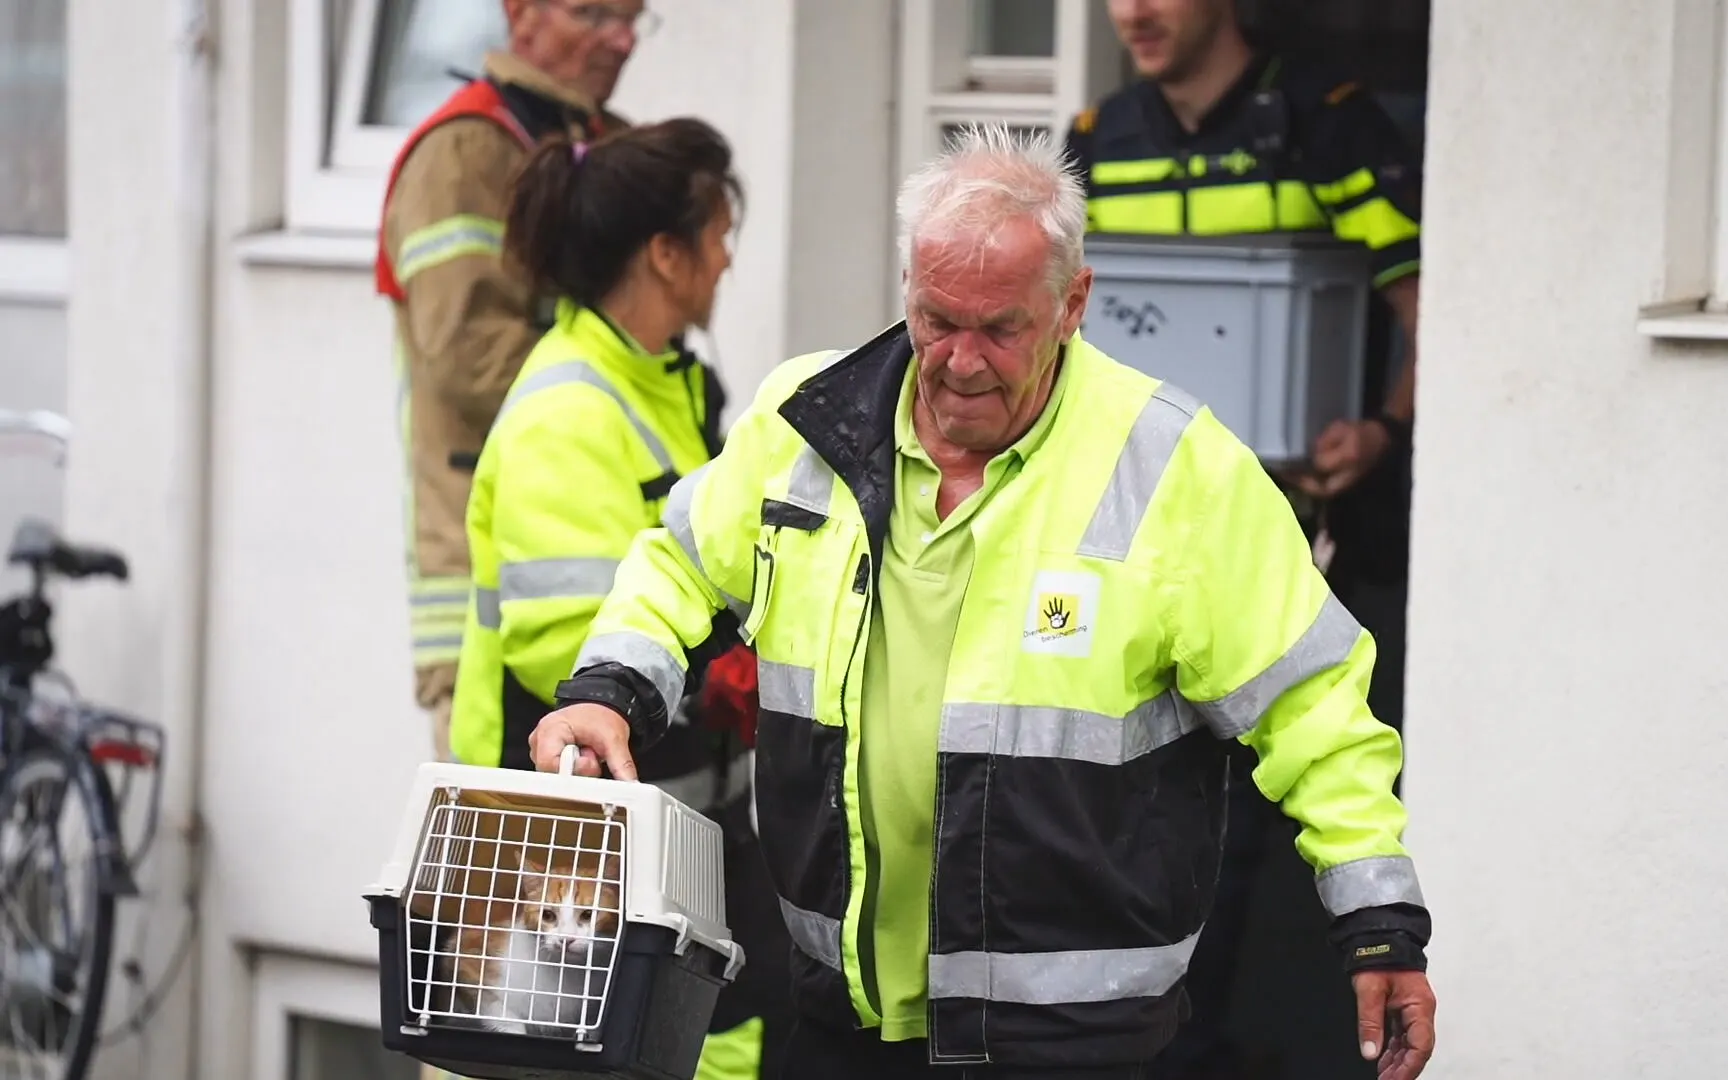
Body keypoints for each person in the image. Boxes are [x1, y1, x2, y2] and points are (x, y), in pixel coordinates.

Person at [520, 124, 1435, 1079]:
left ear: (1073, 303)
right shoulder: (807, 422)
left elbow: (1312, 706)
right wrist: (609, 689)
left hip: (1071, 1047)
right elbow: (678, 562)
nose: (959, 361)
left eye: (1000, 329)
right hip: (842, 1022)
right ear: (907, 288)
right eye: (937, 320)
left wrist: (1379, 921)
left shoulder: (1175, 468)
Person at [1064, 2, 1426, 1073]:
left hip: (1303, 540)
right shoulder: (1098, 139)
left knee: (1262, 813)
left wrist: (1382, 432)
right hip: (1124, 541)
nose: (1133, 12)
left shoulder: (1326, 123)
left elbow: (1434, 312)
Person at [437, 118, 788, 1080]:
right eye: (718, 236)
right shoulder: (568, 410)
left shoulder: (669, 382)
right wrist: (730, 675)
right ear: (667, 255)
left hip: (672, 830)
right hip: (569, 849)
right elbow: (572, 650)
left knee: (723, 1032)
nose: (727, 260)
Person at [375, 0, 654, 764]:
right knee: (495, 832)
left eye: (634, 18)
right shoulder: (463, 153)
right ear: (520, 11)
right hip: (484, 586)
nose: (622, 39)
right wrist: (629, 408)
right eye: (595, 15)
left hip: (597, 582)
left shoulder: (606, 143)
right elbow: (467, 354)